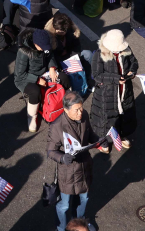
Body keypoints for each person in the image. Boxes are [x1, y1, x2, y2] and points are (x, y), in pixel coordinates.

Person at [46, 91, 101, 231]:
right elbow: (51, 151)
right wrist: (62, 158)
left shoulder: (85, 115)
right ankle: (62, 228)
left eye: (81, 108)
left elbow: (90, 135)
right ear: (66, 109)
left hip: (84, 168)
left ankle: (79, 224)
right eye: (77, 109)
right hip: (67, 173)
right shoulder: (57, 126)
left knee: (84, 199)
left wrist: (100, 142)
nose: (80, 112)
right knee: (64, 205)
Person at [88, 29, 138, 148]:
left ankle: (122, 134)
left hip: (124, 90)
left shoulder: (126, 49)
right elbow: (97, 75)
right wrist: (115, 78)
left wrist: (132, 71)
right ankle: (103, 142)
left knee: (124, 114)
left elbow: (134, 62)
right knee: (105, 118)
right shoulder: (99, 54)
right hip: (107, 93)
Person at [15, 27, 60, 132]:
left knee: (62, 78)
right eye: (42, 47)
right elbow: (20, 74)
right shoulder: (23, 51)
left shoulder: (44, 46)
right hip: (25, 79)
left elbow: (50, 57)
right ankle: (32, 117)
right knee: (35, 91)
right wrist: (37, 80)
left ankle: (59, 105)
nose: (45, 50)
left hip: (43, 73)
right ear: (36, 44)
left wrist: (52, 68)